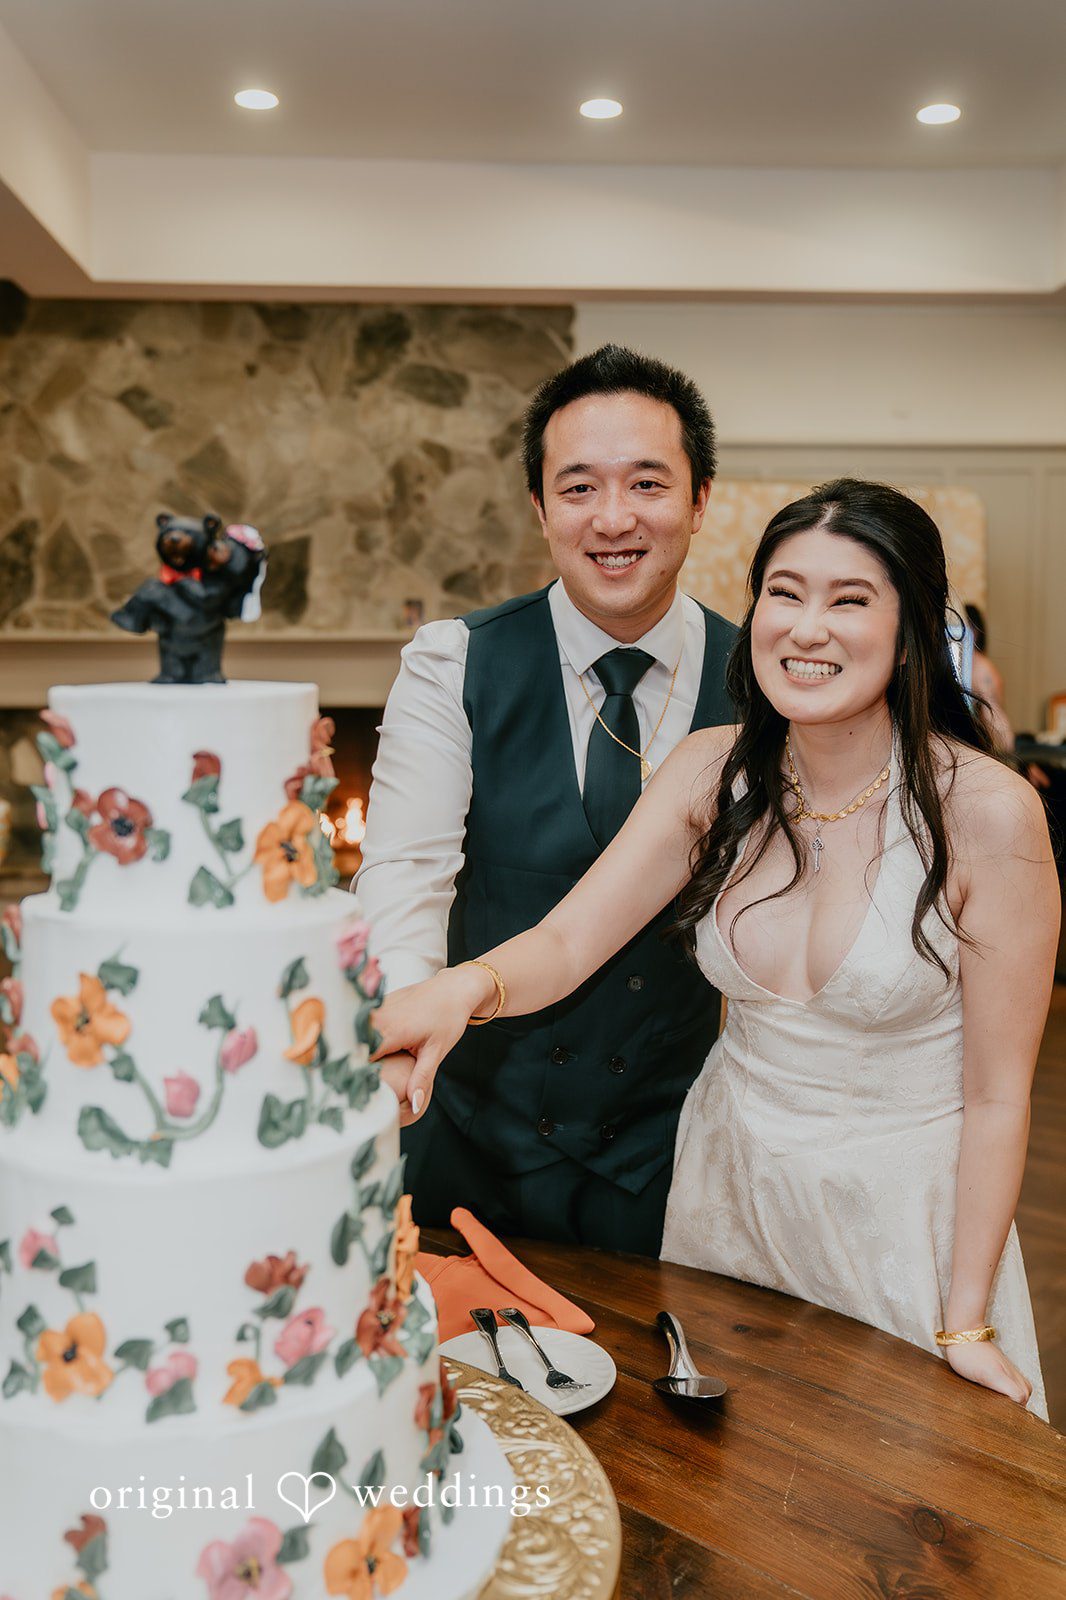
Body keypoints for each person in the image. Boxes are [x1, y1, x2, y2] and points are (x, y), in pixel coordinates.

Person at [372, 479, 1058, 1415]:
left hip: (901, 1217)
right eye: (785, 592)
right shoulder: (712, 771)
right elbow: (570, 941)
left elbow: (995, 1094)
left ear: (910, 630)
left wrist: (967, 1317)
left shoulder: (987, 813)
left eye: (849, 600)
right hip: (725, 1190)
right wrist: (462, 989)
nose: (807, 628)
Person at [354, 344, 737, 1254]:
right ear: (538, 507)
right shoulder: (453, 661)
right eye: (578, 489)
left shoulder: (764, 683)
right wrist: (410, 1023)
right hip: (472, 1137)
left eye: (647, 484)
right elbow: (406, 874)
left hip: (673, 1155)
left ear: (700, 500)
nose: (613, 519)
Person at [964, 603, 1050, 792]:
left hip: (990, 752)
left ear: (974, 632)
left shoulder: (980, 668)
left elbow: (995, 718)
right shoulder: (964, 665)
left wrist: (1022, 764)